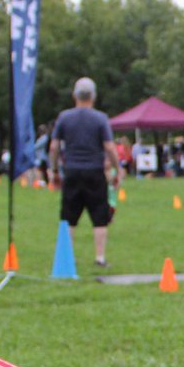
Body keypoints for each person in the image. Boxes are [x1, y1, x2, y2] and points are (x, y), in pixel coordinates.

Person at [49, 77, 121, 267]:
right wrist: (117, 168)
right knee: (100, 217)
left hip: (71, 170)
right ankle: (100, 257)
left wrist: (54, 169)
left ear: (74, 95)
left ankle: (67, 258)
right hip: (95, 171)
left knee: (68, 217)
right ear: (93, 97)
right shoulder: (100, 118)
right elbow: (110, 147)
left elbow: (54, 147)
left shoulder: (64, 117)